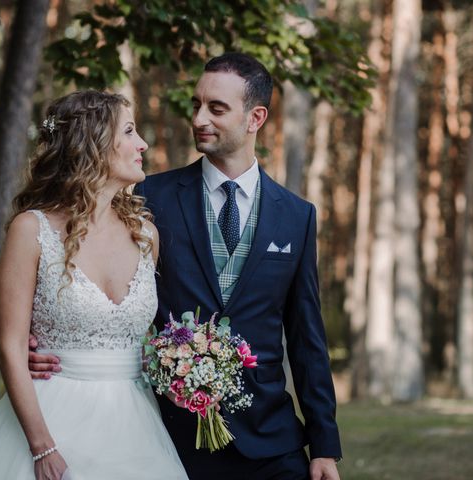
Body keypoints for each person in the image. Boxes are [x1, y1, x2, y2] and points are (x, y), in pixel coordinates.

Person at [31, 53, 343, 480]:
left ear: (256, 118)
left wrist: (324, 445)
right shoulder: (146, 200)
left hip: (273, 441)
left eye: (216, 108)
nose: (199, 118)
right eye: (196, 104)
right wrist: (49, 337)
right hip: (171, 439)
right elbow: (85, 270)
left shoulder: (296, 215)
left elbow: (307, 337)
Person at [0, 90, 188, 480]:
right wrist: (43, 447)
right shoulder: (32, 230)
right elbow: (10, 346)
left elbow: (142, 334)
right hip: (51, 420)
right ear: (92, 145)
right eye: (129, 131)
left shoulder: (146, 235)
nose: (142, 143)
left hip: (136, 424)